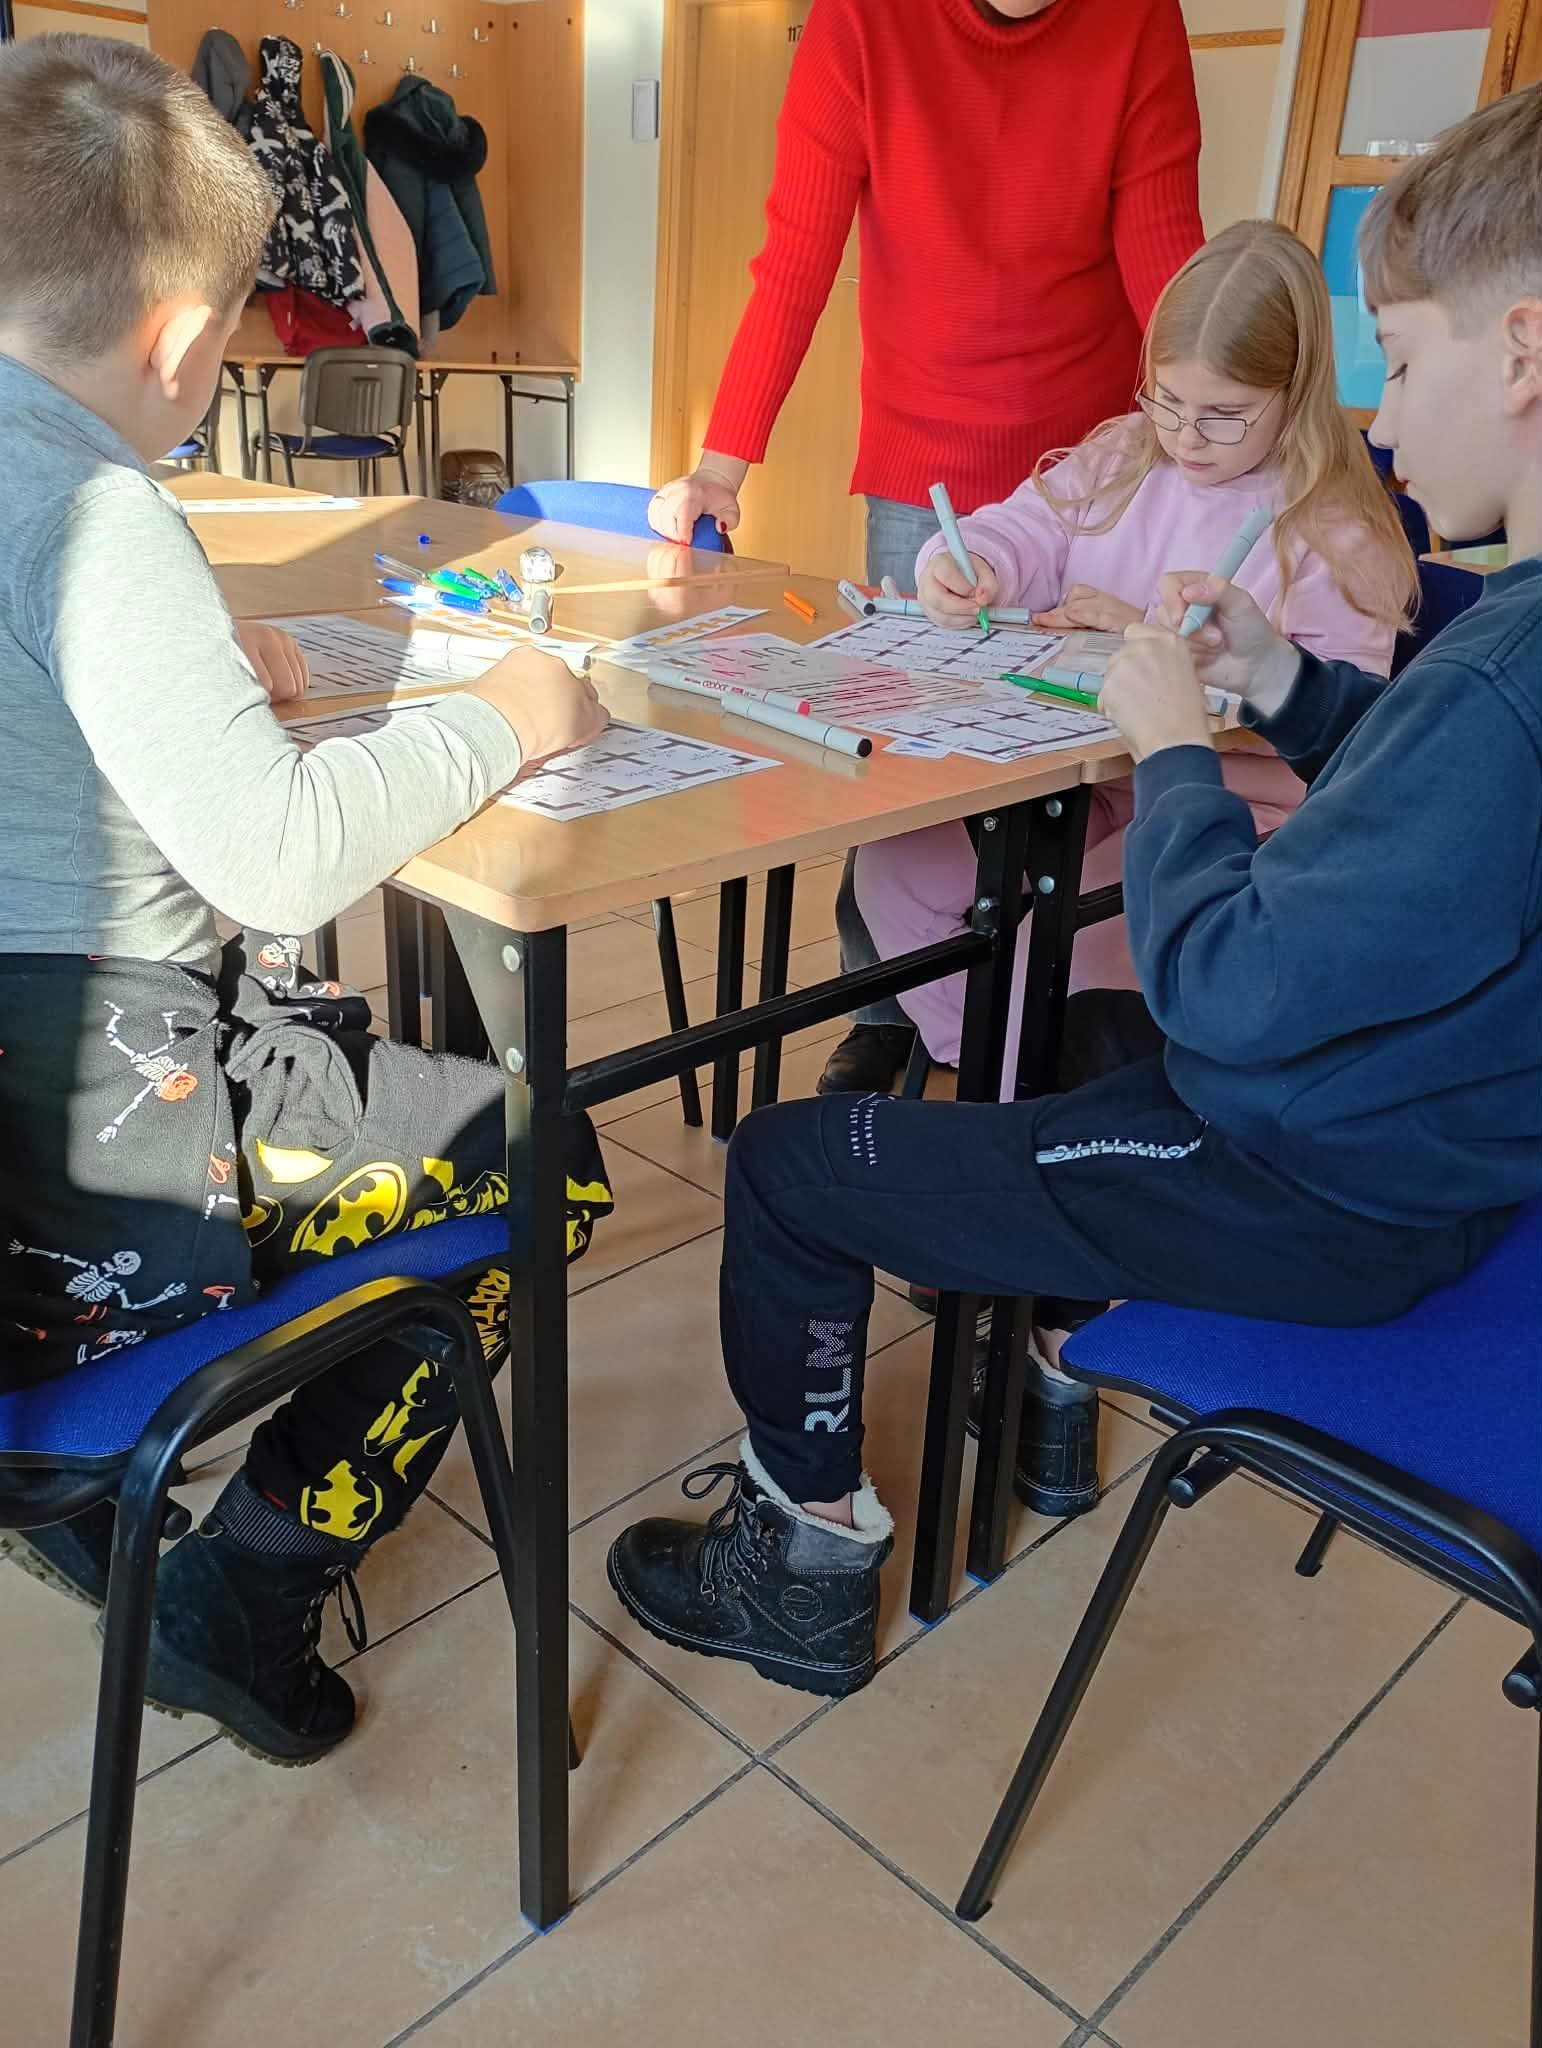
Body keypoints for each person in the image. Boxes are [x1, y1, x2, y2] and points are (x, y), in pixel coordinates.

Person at [608, 85, 1542, 1699]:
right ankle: (1039, 1371)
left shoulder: (1490, 674)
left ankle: (801, 1563)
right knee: (1058, 1053)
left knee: (789, 1163)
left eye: (1400, 358)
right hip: (1408, 1149)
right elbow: (1424, 795)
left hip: (1312, 1180)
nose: (1386, 421)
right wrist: (1285, 688)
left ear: (1521, 351)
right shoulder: (1500, 662)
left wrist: (1175, 748)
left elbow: (1222, 987)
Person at [0, 37, 613, 1766]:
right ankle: (242, 1592)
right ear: (179, 341)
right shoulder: (99, 511)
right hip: (105, 1152)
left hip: (18, 1141)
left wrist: (196, 667)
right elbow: (275, 859)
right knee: (545, 1169)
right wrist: (507, 714)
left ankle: (80, 1500)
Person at [649, 0, 1205, 1097]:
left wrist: (1227, 446)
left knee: (1068, 744)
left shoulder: (1137, 19)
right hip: (926, 477)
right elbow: (796, 254)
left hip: (1088, 472)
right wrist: (722, 463)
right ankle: (888, 1008)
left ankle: (1043, 998)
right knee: (901, 757)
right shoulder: (862, 22)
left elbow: (1170, 264)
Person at [855, 220, 1417, 1086]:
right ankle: (1000, 1073)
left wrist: (1145, 642)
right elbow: (1026, 527)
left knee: (1059, 954)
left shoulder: (1336, 528)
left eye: (1223, 416)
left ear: (1296, 391)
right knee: (895, 869)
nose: (1187, 437)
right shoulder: (1125, 451)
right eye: (1167, 400)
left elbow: (1341, 730)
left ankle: (1023, 1081)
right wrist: (968, 563)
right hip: (1074, 777)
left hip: (1229, 808)